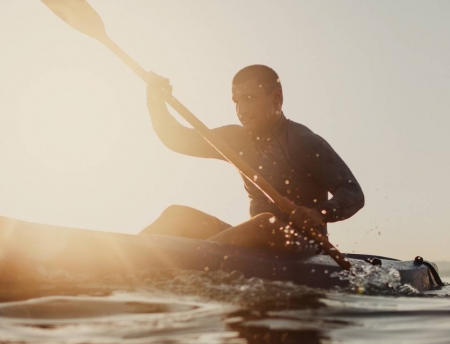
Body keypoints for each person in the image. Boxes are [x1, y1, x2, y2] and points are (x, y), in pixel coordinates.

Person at [140, 64, 364, 252]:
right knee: (178, 215)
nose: (241, 109)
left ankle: (182, 264)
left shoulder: (303, 141)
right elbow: (176, 139)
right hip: (252, 245)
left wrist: (319, 213)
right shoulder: (236, 139)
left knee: (266, 223)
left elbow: (352, 192)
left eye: (248, 98)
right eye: (236, 100)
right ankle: (128, 260)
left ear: (276, 98)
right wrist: (156, 101)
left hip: (304, 247)